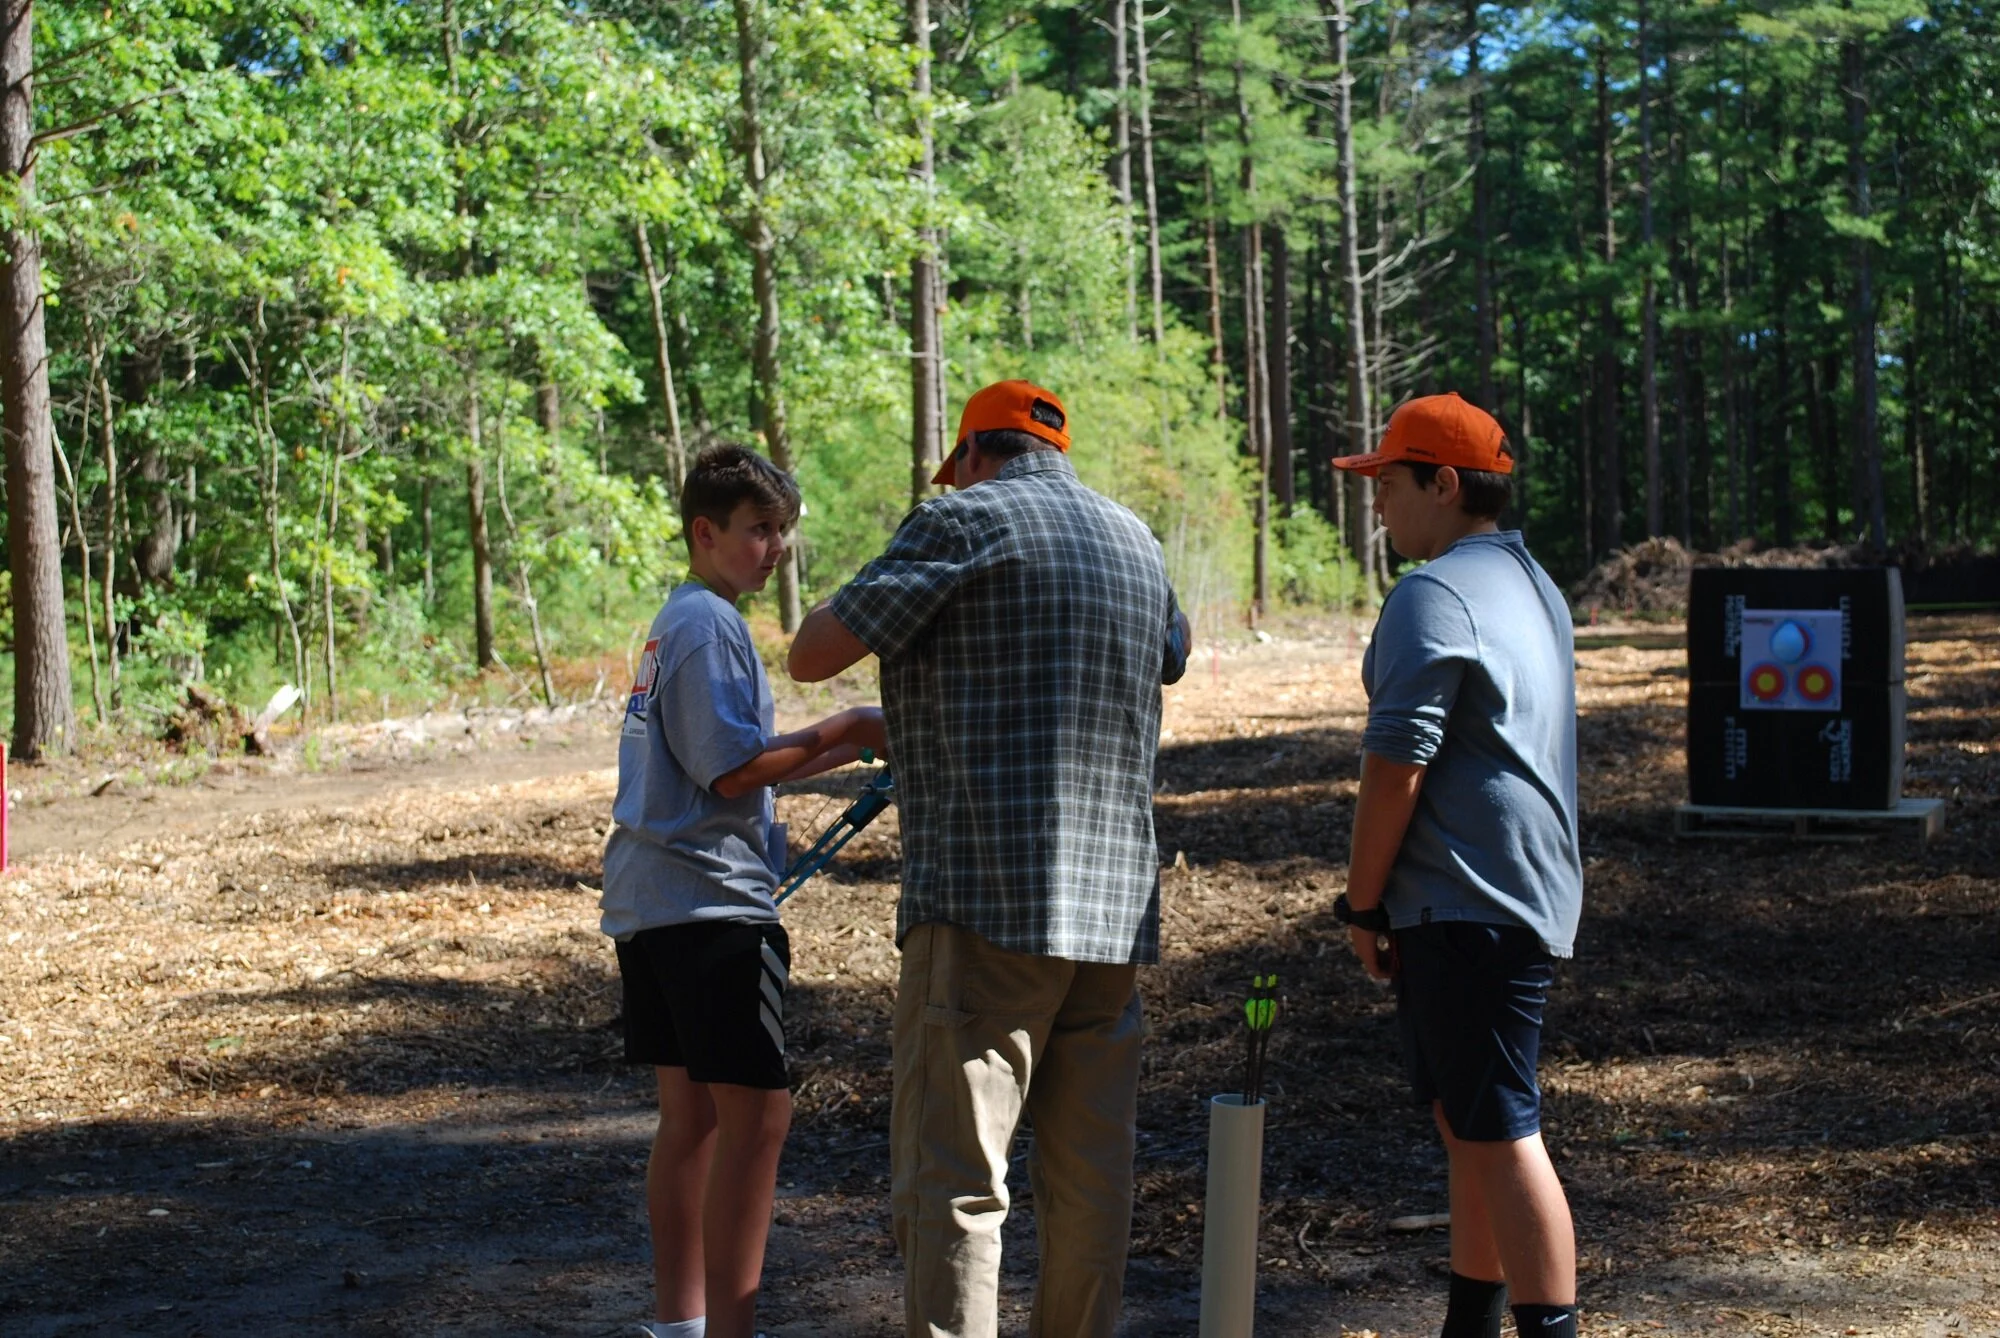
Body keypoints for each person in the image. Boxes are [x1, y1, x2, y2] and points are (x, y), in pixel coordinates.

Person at [787, 380, 1191, 1338]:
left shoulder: (957, 522)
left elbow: (812, 652)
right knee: (1093, 1185)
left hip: (984, 905)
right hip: (1112, 917)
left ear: (971, 454)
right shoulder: (1135, 538)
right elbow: (1167, 653)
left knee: (957, 1185)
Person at [602, 443, 887, 1338]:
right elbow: (732, 773)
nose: (776, 549)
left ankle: (680, 1322)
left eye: (782, 533)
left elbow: (737, 767)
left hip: (656, 905)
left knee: (691, 1119)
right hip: (711, 910)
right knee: (758, 1118)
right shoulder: (710, 626)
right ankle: (728, 1329)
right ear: (705, 531)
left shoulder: (677, 620)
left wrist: (857, 744)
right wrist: (846, 721)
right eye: (759, 530)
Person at [1329, 393, 1585, 1338]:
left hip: (1469, 899)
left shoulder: (1433, 593)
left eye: (1390, 483)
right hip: (1517, 891)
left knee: (1504, 1130)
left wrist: (1362, 904)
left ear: (1444, 483)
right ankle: (1469, 1327)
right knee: (1470, 1126)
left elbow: (1397, 762)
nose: (1379, 504)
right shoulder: (1531, 585)